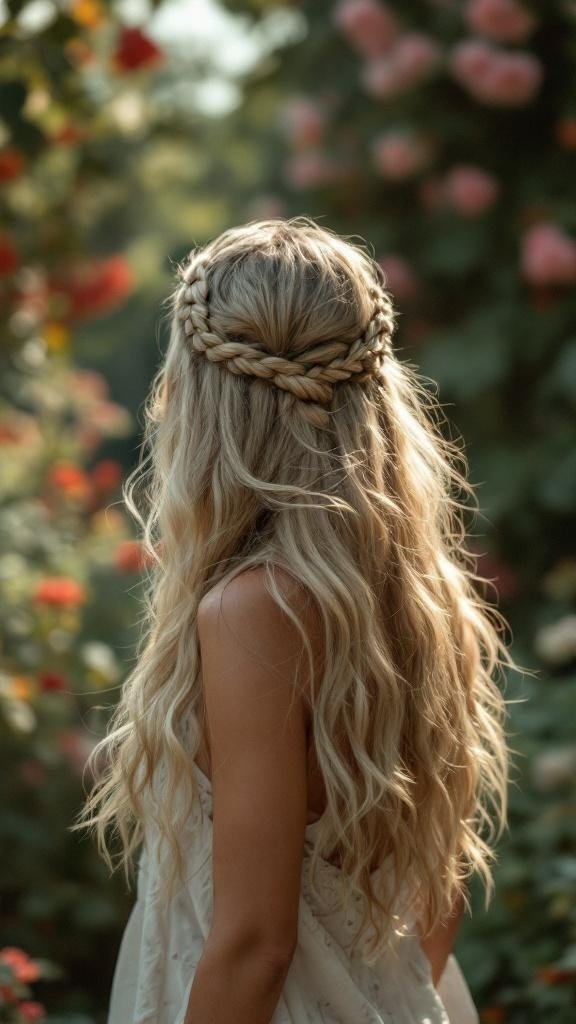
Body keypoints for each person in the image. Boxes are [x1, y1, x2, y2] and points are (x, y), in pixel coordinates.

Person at [72, 217, 516, 1024]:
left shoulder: (253, 612)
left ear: (200, 398)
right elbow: (437, 892)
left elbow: (254, 943)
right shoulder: (416, 594)